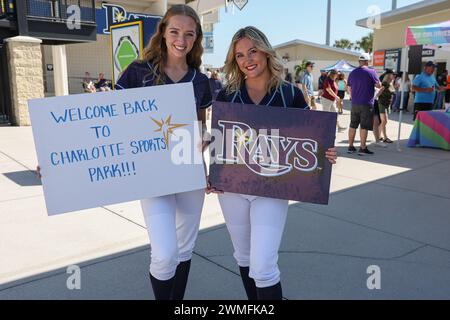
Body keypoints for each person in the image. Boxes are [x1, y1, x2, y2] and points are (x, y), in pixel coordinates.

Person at [208, 26, 337, 300]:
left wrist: (325, 153)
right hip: (233, 188)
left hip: (273, 188)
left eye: (253, 51)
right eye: (240, 55)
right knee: (243, 256)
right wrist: (212, 167)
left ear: (265, 51)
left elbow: (311, 141)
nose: (247, 59)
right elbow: (219, 140)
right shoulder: (226, 95)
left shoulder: (291, 94)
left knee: (264, 266)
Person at [108, 5, 212, 300]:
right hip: (152, 174)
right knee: (165, 254)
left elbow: (200, 126)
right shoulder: (138, 72)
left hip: (188, 171)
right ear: (164, 33)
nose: (182, 39)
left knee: (184, 249)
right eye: (175, 31)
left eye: (189, 34)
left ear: (196, 39)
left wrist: (204, 147)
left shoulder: (200, 80)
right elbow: (109, 121)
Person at [347, 53, 382, 156]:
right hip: (366, 103)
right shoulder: (371, 71)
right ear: (367, 61)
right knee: (364, 126)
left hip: (355, 103)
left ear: (359, 61)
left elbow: (349, 88)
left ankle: (350, 146)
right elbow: (379, 85)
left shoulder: (352, 72)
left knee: (352, 125)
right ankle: (362, 147)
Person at [376, 69, 395, 144]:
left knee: (383, 121)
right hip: (382, 103)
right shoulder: (385, 83)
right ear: (389, 75)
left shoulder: (390, 83)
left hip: (387, 104)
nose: (394, 76)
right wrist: (375, 97)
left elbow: (392, 91)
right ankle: (385, 137)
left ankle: (379, 136)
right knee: (384, 121)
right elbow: (379, 91)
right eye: (393, 74)